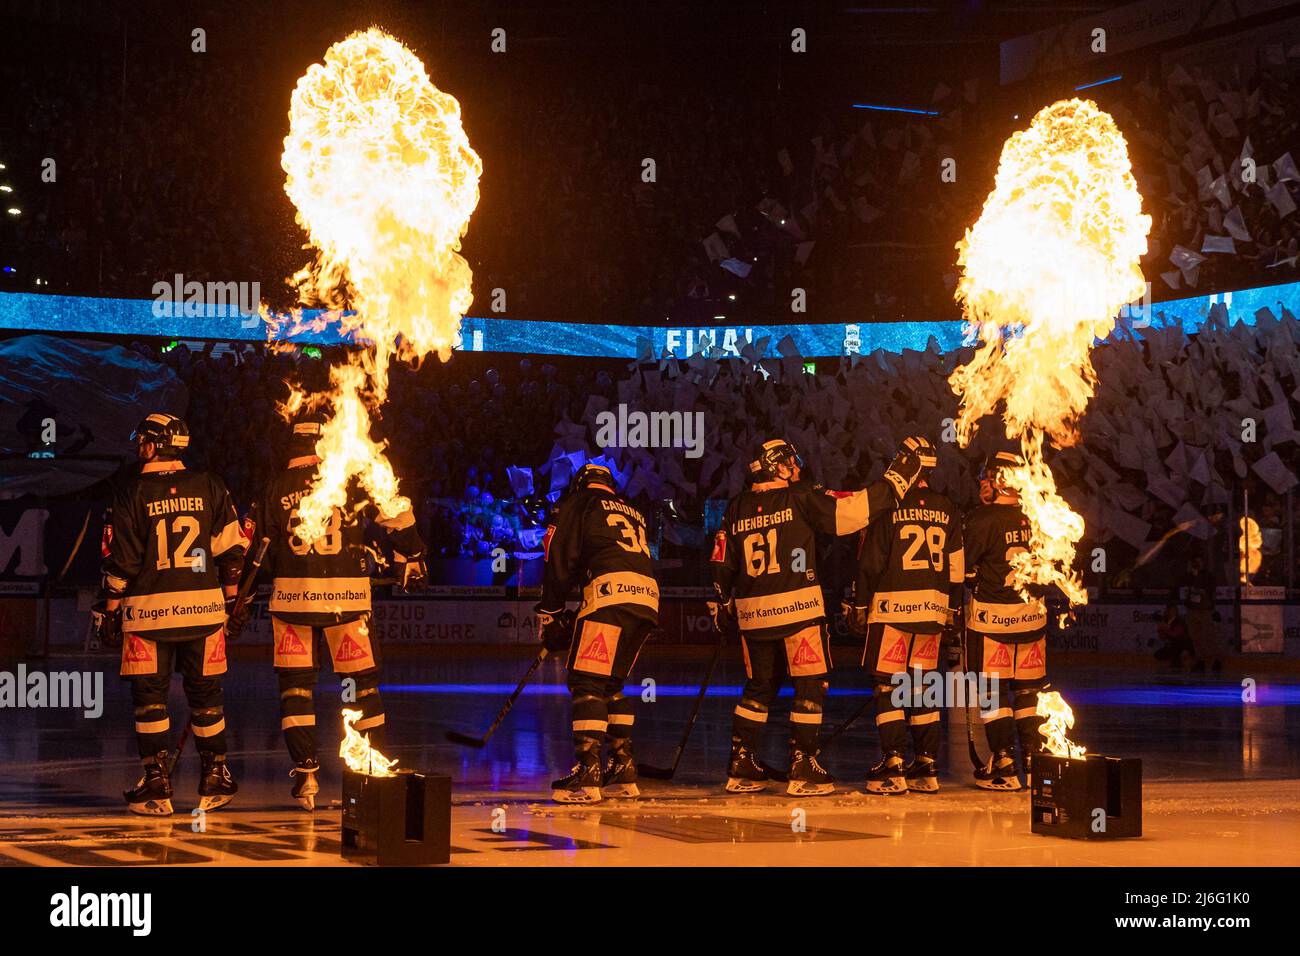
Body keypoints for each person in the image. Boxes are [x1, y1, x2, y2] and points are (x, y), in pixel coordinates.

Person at [709, 438, 922, 796]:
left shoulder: (736, 507)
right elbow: (850, 514)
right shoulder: (801, 497)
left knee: (759, 687)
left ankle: (741, 761)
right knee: (810, 684)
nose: (796, 466)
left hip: (753, 614)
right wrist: (896, 481)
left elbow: (720, 562)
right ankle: (803, 763)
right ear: (777, 466)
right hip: (798, 610)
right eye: (790, 460)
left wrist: (721, 602)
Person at [251, 418, 427, 810]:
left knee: (296, 689)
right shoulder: (348, 476)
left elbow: (261, 549)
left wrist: (241, 596)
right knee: (362, 686)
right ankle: (370, 770)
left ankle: (307, 775)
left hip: (293, 604)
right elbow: (395, 510)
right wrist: (413, 554)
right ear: (324, 441)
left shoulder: (275, 486)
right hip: (348, 603)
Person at [93, 413, 247, 815]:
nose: (139, 446)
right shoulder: (211, 484)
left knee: (149, 702)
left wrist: (109, 610)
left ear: (156, 444)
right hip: (205, 611)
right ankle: (217, 775)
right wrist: (232, 603)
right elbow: (231, 553)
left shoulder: (131, 491)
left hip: (148, 616)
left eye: (143, 439)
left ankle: (156, 782)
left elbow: (121, 563)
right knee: (207, 698)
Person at [535, 463, 659, 803]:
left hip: (609, 597)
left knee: (587, 683)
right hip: (647, 599)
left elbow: (559, 555)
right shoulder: (633, 511)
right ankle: (622, 767)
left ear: (581, 484)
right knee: (613, 684)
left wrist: (551, 612)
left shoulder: (579, 503)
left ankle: (588, 772)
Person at [847, 436, 963, 794]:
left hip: (891, 612)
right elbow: (956, 571)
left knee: (888, 687)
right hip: (931, 613)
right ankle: (926, 766)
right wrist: (951, 613)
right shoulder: (948, 509)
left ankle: (893, 764)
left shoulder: (888, 506)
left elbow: (870, 562)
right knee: (923, 688)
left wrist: (860, 605)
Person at [962, 450, 1049, 791]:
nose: (983, 482)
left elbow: (964, 571)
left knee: (992, 690)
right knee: (1027, 690)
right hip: (1032, 620)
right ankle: (1033, 759)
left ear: (1001, 481)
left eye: (987, 477)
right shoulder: (1042, 516)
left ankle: (1003, 762)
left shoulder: (981, 519)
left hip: (992, 622)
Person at [1154, 603, 1192, 670]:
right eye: (1171, 610)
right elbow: (1162, 638)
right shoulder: (1166, 621)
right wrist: (1160, 630)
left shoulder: (1180, 621)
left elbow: (1176, 634)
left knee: (1176, 655)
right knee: (1159, 654)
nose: (1173, 611)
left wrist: (1165, 629)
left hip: (1181, 645)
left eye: (1174, 610)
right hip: (1171, 645)